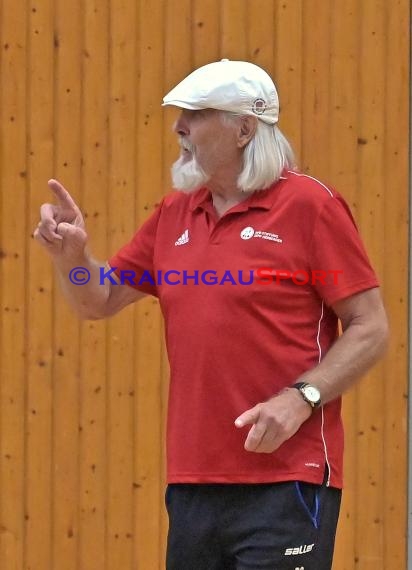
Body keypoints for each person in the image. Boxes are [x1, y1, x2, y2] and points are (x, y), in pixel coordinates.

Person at [34, 59, 388, 570]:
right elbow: (98, 298)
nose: (179, 127)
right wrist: (71, 258)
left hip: (288, 479)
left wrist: (300, 399)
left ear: (245, 128)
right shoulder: (174, 213)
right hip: (194, 483)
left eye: (196, 114)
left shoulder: (311, 207)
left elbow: (371, 327)